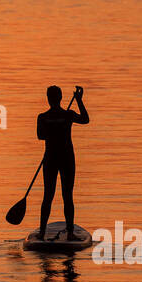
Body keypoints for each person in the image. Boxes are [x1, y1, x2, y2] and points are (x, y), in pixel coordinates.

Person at [36, 85, 89, 240]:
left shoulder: (43, 117)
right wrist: (79, 101)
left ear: (48, 99)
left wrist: (52, 129)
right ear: (60, 98)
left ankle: (42, 233)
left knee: (49, 195)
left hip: (52, 159)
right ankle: (70, 233)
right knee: (67, 196)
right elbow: (85, 119)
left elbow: (40, 135)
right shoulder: (67, 115)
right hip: (64, 159)